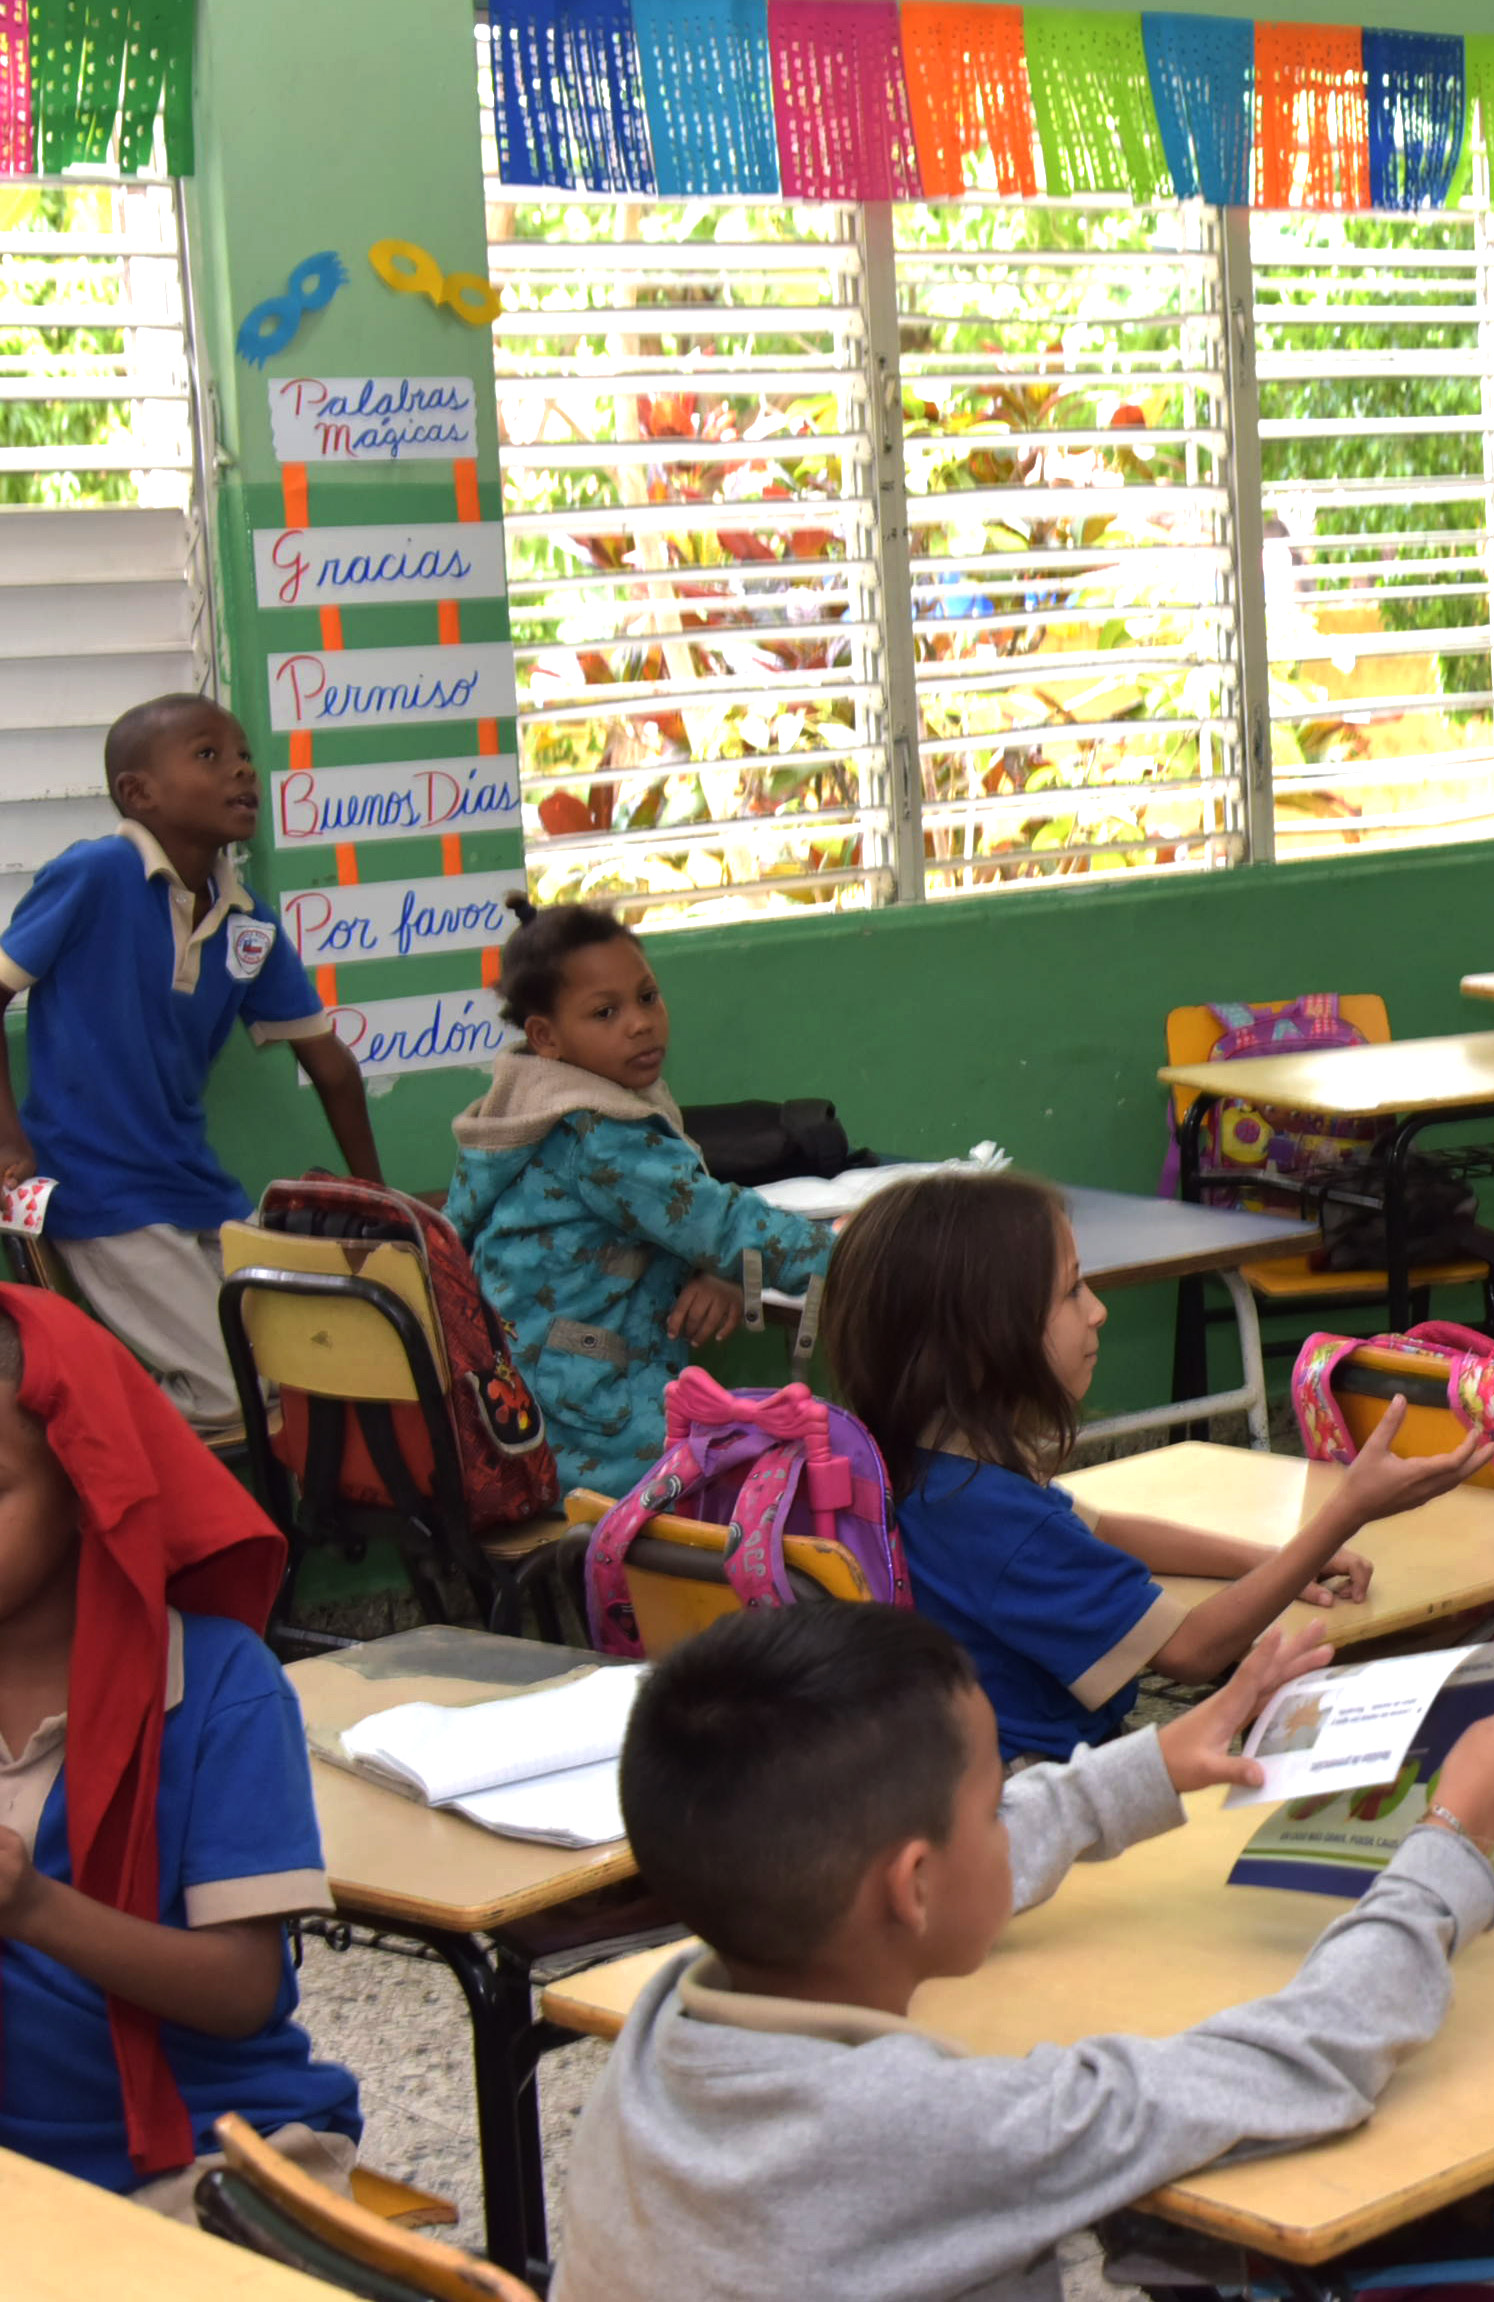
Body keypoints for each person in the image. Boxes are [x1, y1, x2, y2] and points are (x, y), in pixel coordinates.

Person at [561, 1601, 1494, 2302]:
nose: (1012, 1817)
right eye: (993, 1803)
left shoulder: (661, 2029)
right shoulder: (936, 2124)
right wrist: (1447, 1843)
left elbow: (936, 1863)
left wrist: (1146, 1770)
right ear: (913, 1887)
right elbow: (1302, 2059)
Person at [828, 1169, 1490, 1762]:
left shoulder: (907, 1457)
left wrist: (1276, 1558)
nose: (1098, 1310)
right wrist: (1346, 1511)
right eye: (1071, 1292)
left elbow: (1104, 1529)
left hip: (941, 1779)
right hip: (1036, 1798)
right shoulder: (996, 1520)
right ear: (981, 1336)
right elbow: (1194, 1651)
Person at [0, 1285, 361, 2206]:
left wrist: (31, 1906)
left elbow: (246, 1991)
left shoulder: (217, 1687)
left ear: (86, 1490)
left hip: (206, 2149)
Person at [0, 695, 381, 1437]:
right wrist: (10, 1143)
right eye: (208, 755)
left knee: (298, 1374)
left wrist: (378, 1205)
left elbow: (332, 1066)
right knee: (231, 1394)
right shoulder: (95, 875)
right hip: (99, 1188)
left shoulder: (248, 919)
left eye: (243, 753)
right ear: (138, 794)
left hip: (197, 1187)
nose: (242, 767)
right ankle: (64, 1442)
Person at [446, 902, 842, 1499]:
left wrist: (712, 1270)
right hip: (589, 1424)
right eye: (606, 1012)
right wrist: (860, 1253)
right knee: (769, 1474)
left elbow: (670, 1226)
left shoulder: (526, 1109)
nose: (640, 1023)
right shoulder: (601, 1136)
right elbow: (727, 1226)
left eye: (648, 997)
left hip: (522, 1405)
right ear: (546, 1037)